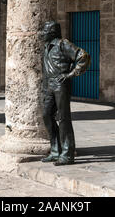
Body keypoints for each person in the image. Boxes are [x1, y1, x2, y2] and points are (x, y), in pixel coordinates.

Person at [41, 21, 91, 166]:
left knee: (64, 118)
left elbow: (84, 57)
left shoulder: (63, 44)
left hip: (61, 85)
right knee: (46, 115)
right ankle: (55, 151)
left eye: (45, 31)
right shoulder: (47, 47)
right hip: (49, 86)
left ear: (52, 32)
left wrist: (70, 74)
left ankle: (67, 154)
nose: (42, 34)